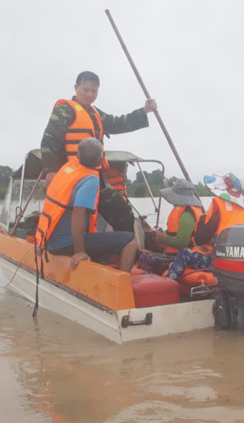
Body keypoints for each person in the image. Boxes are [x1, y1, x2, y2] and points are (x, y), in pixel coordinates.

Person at [40, 70, 157, 232]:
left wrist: (143, 111)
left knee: (122, 212)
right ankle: (76, 249)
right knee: (77, 214)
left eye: (93, 91)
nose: (89, 94)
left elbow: (117, 123)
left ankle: (123, 248)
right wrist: (50, 171)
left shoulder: (95, 113)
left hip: (94, 176)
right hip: (71, 177)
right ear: (76, 88)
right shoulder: (65, 111)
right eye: (85, 90)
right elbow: (49, 141)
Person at [35, 138, 139, 272]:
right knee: (130, 241)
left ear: (77, 156)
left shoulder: (68, 168)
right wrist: (79, 252)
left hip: (49, 240)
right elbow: (77, 217)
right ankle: (121, 283)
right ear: (101, 159)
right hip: (65, 243)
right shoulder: (90, 179)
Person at [165, 173, 244, 281]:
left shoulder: (219, 204)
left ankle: (169, 282)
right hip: (235, 260)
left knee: (183, 253)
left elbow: (200, 239)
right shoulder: (243, 209)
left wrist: (201, 222)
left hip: (217, 261)